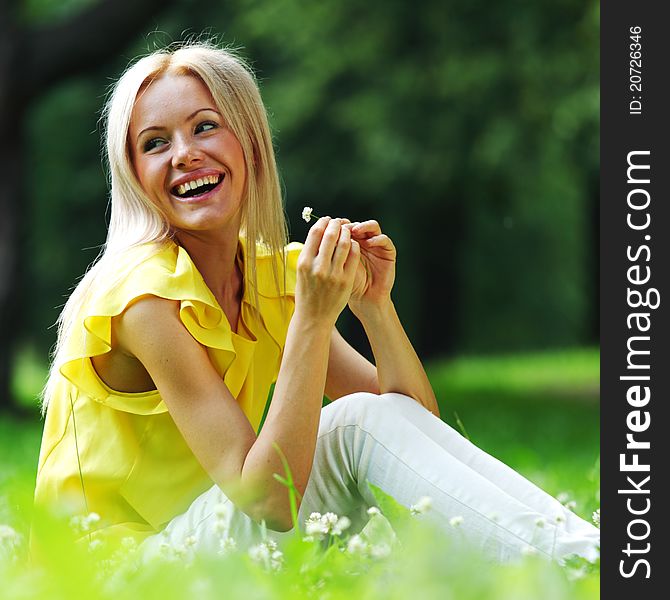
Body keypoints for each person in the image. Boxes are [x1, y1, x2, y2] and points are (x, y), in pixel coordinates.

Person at [33, 41, 599, 564]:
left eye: (205, 128)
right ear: (134, 174)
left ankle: (589, 556)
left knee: (366, 420)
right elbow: (265, 500)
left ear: (250, 142)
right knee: (351, 426)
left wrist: (375, 307)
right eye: (155, 143)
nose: (184, 154)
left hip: (215, 544)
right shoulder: (143, 298)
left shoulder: (266, 277)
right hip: (119, 573)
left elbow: (411, 435)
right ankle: (585, 564)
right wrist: (312, 316)